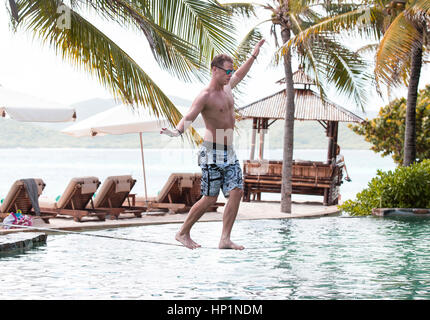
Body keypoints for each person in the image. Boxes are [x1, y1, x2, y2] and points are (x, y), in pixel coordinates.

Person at [161, 39, 266, 250]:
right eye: (227, 71)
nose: (230, 75)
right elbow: (189, 115)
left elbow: (241, 73)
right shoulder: (205, 96)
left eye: (230, 72)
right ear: (214, 70)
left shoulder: (228, 87)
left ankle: (225, 239)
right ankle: (182, 233)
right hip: (211, 152)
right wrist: (177, 131)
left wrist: (254, 55)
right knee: (209, 198)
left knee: (237, 191)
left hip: (229, 151)